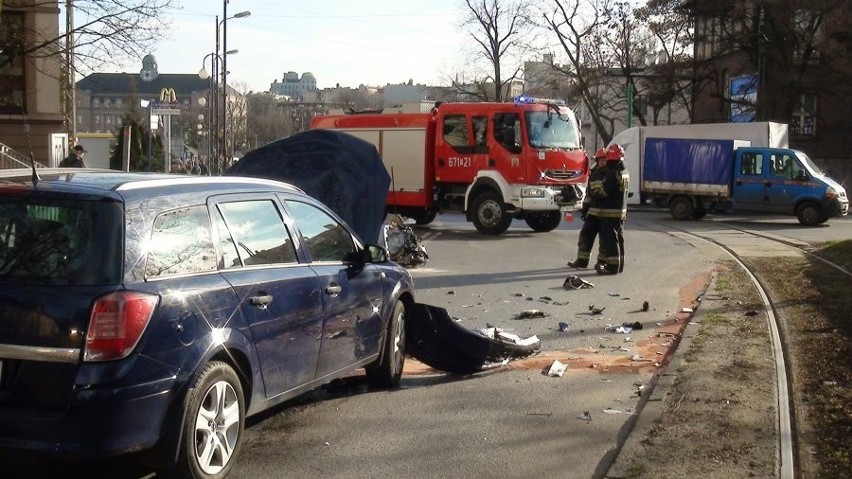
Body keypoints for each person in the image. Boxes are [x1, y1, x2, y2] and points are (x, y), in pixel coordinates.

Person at [567, 147, 608, 269]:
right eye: (599, 160)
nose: (601, 162)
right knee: (585, 236)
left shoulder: (611, 174)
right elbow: (589, 193)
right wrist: (585, 207)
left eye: (603, 160)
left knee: (605, 240)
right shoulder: (594, 174)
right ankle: (582, 260)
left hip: (605, 214)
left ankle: (601, 261)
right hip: (593, 213)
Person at [594, 144, 630, 275]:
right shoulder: (624, 171)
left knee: (610, 240)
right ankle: (619, 265)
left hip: (610, 212)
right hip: (620, 212)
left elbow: (605, 191)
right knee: (619, 239)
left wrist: (596, 193)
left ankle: (612, 267)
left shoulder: (613, 173)